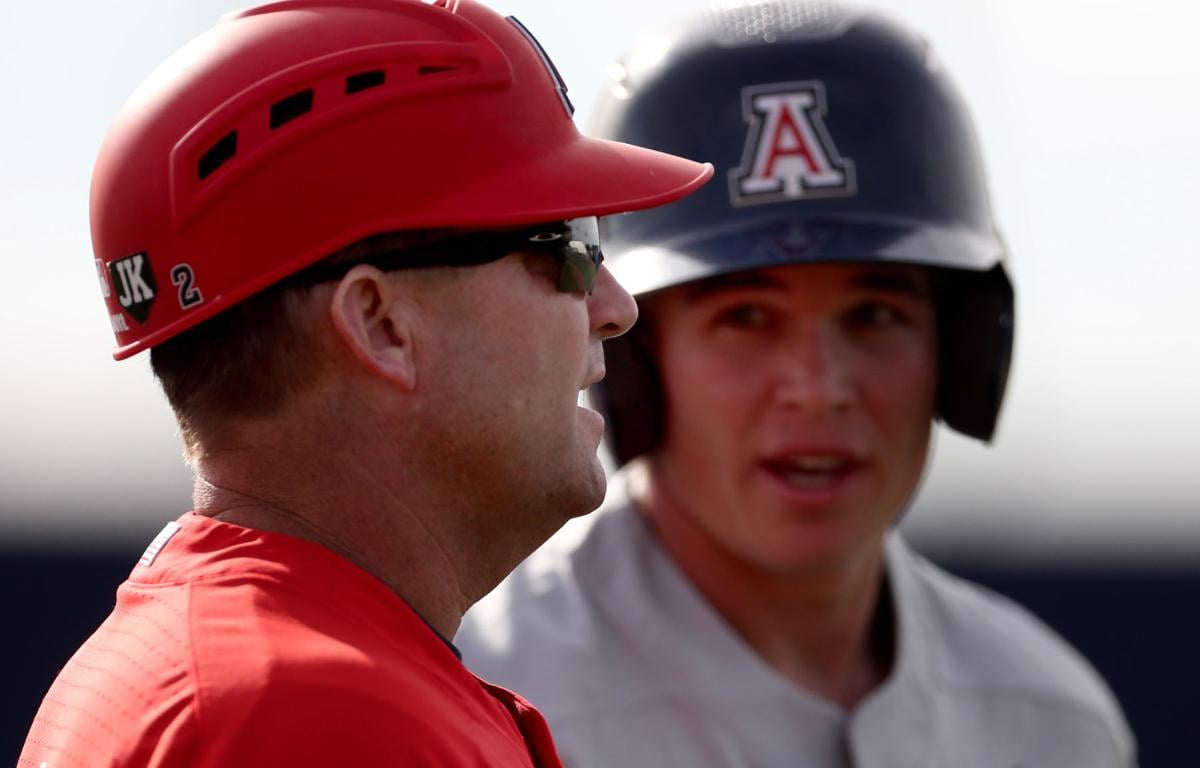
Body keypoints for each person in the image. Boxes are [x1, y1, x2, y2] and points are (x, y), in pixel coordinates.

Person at [18, 1, 712, 765]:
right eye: (570, 246)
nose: (616, 307)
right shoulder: (306, 710)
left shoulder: (265, 668)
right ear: (380, 323)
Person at [456, 1, 1136, 766]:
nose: (817, 389)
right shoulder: (479, 693)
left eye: (875, 315)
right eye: (746, 317)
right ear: (639, 359)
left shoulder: (1052, 723)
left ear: (962, 351)